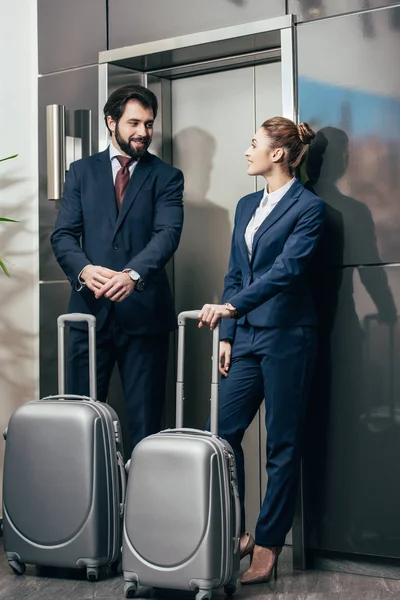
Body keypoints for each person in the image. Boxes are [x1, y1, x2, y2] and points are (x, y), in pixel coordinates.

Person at [198, 117, 325, 584]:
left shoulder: (309, 208)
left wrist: (231, 306)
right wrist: (229, 332)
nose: (247, 151)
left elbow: (287, 272)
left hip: (289, 335)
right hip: (246, 335)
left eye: (254, 144)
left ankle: (268, 546)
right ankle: (235, 532)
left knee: (282, 444)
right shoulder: (247, 203)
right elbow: (237, 268)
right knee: (222, 434)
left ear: (278, 154)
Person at [51, 84, 184, 453]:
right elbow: (63, 236)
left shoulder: (167, 177)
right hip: (88, 317)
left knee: (146, 424)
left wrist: (133, 276)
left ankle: (142, 509)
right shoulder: (80, 172)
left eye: (149, 124)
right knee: (80, 421)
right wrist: (84, 271)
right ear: (111, 122)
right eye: (134, 123)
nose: (143, 132)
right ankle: (87, 508)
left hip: (144, 316)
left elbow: (167, 235)